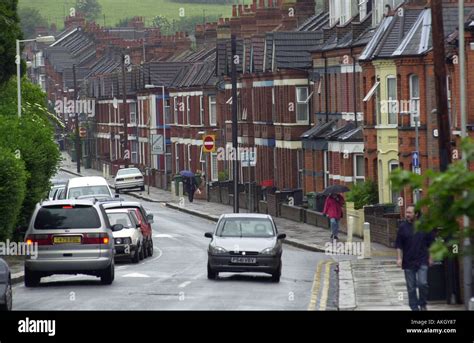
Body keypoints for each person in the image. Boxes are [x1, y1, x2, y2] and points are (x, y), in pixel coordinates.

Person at [396, 205, 435, 311]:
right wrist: (399, 258)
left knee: (423, 283)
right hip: (408, 261)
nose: (407, 215)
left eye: (409, 213)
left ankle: (423, 304)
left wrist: (431, 258)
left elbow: (431, 244)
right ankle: (414, 307)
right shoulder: (402, 227)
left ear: (416, 214)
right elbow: (399, 245)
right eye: (406, 212)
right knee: (411, 287)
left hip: (422, 259)